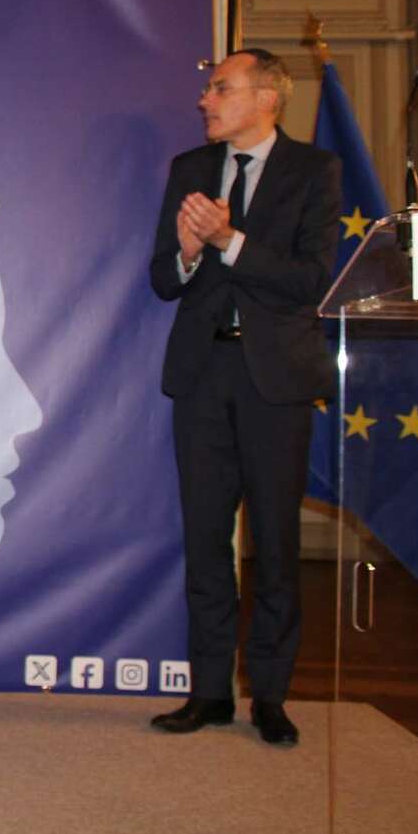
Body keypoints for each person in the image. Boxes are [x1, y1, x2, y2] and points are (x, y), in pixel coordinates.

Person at [147, 48, 340, 746]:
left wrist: (228, 240)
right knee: (205, 541)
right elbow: (163, 280)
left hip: (275, 382)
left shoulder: (313, 171)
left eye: (220, 88)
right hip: (203, 375)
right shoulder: (190, 170)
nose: (205, 99)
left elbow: (311, 279)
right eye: (208, 89)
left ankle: (271, 695)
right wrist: (189, 253)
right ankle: (209, 692)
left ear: (267, 97)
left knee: (276, 545)